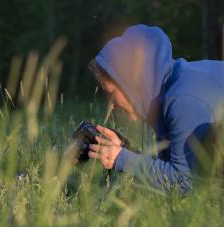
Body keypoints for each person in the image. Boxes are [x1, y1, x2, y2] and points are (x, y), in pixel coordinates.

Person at [87, 24, 224, 192]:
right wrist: (124, 151)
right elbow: (169, 170)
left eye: (111, 93)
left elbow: (184, 182)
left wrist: (121, 159)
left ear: (131, 83)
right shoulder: (165, 92)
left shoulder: (181, 100)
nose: (111, 104)